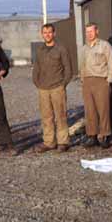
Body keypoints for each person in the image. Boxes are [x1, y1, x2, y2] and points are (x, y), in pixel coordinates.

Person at [32, 23, 72, 153]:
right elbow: (36, 67)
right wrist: (36, 82)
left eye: (49, 32)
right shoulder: (39, 50)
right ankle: (49, 142)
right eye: (45, 32)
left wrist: (62, 85)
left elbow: (68, 69)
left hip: (57, 87)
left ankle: (63, 142)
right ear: (42, 34)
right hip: (43, 89)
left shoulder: (61, 49)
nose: (47, 35)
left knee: (60, 115)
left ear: (54, 33)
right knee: (46, 116)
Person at [80, 23, 112, 148]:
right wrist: (83, 79)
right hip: (87, 82)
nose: (89, 34)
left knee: (103, 110)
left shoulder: (105, 46)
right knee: (90, 111)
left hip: (101, 81)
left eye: (91, 31)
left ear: (97, 31)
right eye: (87, 32)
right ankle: (92, 136)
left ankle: (105, 135)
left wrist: (109, 80)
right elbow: (82, 65)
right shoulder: (84, 48)